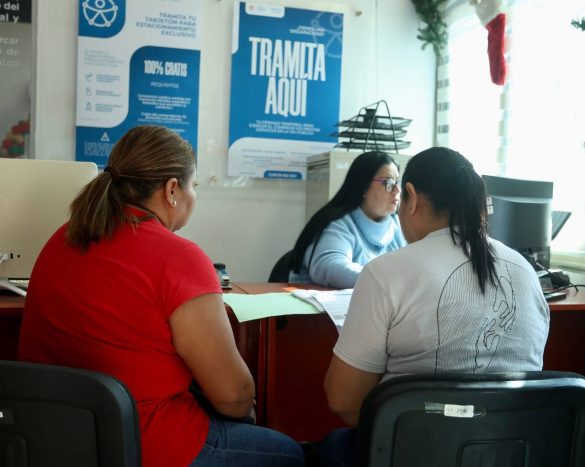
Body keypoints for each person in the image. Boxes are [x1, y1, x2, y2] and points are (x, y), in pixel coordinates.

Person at [18, 125, 304, 467]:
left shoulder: (62, 238)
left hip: (56, 439)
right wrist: (246, 409)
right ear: (171, 190)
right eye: (194, 186)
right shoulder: (179, 258)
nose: (194, 196)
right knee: (289, 454)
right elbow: (233, 396)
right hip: (146, 445)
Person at [319, 147, 550, 467]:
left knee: (329, 447)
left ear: (411, 197)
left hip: (414, 453)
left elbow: (344, 401)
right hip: (508, 454)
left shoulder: (385, 272)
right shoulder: (525, 271)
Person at [289, 151, 406, 288]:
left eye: (398, 182)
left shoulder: (398, 225)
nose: (397, 190)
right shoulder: (337, 224)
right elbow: (331, 266)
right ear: (363, 186)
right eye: (388, 182)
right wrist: (390, 281)